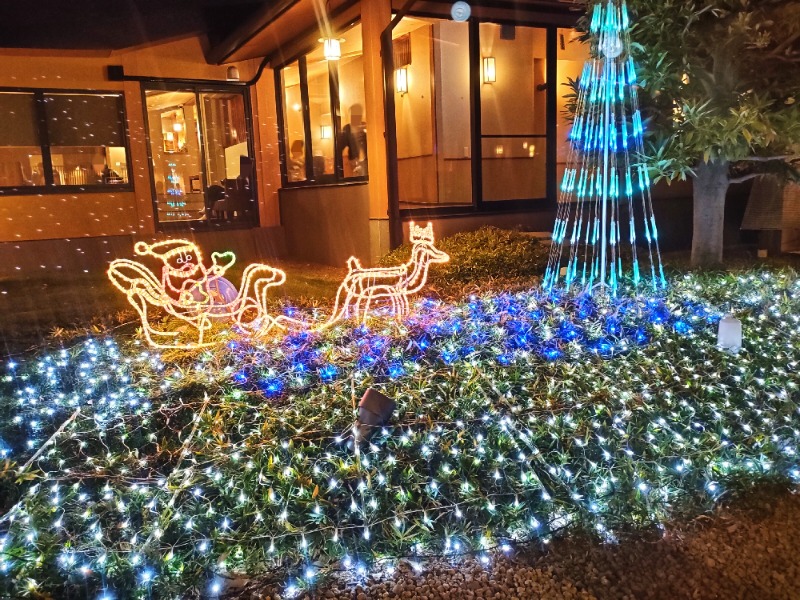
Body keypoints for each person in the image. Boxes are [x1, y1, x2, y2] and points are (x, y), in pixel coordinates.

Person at [340, 103, 367, 177]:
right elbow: (340, 146)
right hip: (354, 161)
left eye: (357, 114)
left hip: (367, 160)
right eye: (352, 114)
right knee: (358, 179)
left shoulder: (365, 126)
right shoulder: (347, 128)